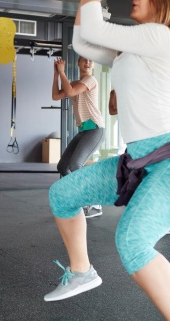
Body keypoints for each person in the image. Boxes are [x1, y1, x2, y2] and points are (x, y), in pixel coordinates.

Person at [45, 0, 170, 321]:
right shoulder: (135, 48)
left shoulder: (160, 35)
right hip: (137, 159)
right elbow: (83, 41)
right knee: (63, 195)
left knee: (132, 242)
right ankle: (81, 271)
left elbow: (93, 27)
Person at [52, 56, 105, 218]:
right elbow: (56, 96)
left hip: (95, 129)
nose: (87, 62)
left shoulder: (90, 80)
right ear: (78, 63)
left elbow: (70, 92)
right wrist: (56, 74)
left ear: (93, 64)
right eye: (84, 60)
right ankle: (77, 197)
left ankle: (94, 203)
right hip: (83, 131)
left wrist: (62, 72)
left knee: (76, 164)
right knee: (63, 167)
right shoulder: (74, 82)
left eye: (90, 60)